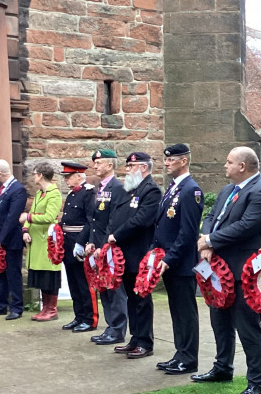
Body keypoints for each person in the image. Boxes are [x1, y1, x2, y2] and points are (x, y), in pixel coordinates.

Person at [193, 147, 261, 394]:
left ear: (242, 166)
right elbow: (211, 216)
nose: (225, 165)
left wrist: (210, 241)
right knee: (219, 322)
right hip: (218, 269)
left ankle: (257, 381)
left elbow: (245, 226)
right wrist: (206, 241)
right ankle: (222, 368)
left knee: (247, 327)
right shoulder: (227, 190)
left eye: (229, 162)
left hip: (244, 272)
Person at [99, 151, 161, 358]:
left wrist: (116, 235)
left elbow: (141, 220)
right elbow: (115, 216)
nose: (127, 170)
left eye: (131, 166)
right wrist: (110, 236)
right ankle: (135, 338)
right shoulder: (130, 190)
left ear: (143, 167)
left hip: (139, 253)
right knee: (131, 300)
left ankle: (145, 342)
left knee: (141, 299)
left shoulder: (151, 190)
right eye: (127, 166)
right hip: (124, 253)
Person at [152, 144, 202, 375]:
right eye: (166, 159)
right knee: (176, 311)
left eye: (171, 159)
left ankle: (189, 358)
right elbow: (162, 226)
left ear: (183, 161)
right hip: (168, 261)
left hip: (181, 263)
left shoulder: (191, 190)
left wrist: (170, 258)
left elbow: (188, 232)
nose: (166, 163)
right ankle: (180, 353)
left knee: (185, 312)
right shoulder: (173, 188)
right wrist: (155, 252)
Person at [86, 149, 128, 345]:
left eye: (99, 162)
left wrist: (103, 246)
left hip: (110, 248)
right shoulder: (100, 188)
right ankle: (110, 326)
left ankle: (118, 329)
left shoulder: (117, 188)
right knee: (103, 286)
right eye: (95, 162)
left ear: (110, 165)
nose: (95, 166)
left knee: (114, 289)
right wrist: (91, 242)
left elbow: (114, 220)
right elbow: (95, 220)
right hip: (98, 247)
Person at [0, 159, 27, 320]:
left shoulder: (18, 190)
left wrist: (1, 239)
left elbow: (12, 217)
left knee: (13, 274)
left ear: (0, 173)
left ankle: (16, 307)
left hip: (10, 240)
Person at [20, 161, 63, 322]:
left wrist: (29, 218)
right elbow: (31, 212)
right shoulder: (39, 193)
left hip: (48, 242)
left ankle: (51, 309)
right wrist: (25, 230)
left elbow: (49, 217)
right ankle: (45, 308)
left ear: (41, 175)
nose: (33, 177)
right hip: (36, 241)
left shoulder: (54, 194)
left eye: (35, 174)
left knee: (49, 275)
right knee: (41, 276)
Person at [58, 161, 98, 332]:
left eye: (68, 176)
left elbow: (90, 220)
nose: (66, 180)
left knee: (84, 282)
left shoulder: (88, 193)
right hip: (68, 242)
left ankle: (89, 319)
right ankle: (79, 316)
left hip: (79, 241)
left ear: (78, 176)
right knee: (73, 282)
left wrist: (81, 242)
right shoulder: (72, 194)